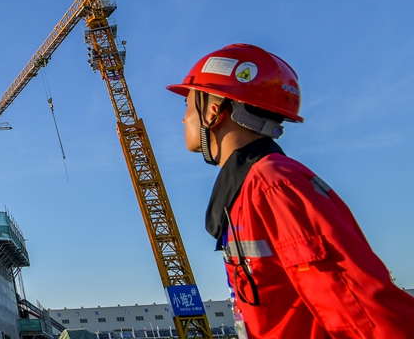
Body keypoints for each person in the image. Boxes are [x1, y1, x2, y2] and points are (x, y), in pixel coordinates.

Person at [166, 43, 414, 338]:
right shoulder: (247, 191)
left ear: (213, 112)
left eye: (188, 105)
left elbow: (359, 310)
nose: (183, 118)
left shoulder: (273, 185)